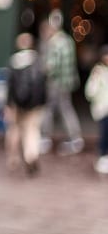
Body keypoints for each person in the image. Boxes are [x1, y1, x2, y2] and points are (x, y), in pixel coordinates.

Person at [39, 10, 84, 155]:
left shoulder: (54, 43)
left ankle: (45, 138)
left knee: (49, 109)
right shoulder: (68, 40)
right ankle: (75, 138)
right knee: (65, 108)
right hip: (67, 82)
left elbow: (51, 66)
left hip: (55, 83)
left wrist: (41, 72)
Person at [4, 32, 46, 175]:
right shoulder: (37, 60)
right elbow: (42, 84)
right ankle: (31, 155)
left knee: (14, 129)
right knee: (32, 130)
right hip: (34, 105)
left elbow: (9, 85)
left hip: (17, 103)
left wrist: (8, 103)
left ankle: (13, 159)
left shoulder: (14, 61)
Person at [84, 45, 108, 176]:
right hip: (103, 109)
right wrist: (95, 79)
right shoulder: (98, 72)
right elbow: (89, 92)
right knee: (104, 133)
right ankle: (103, 155)